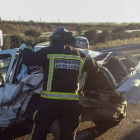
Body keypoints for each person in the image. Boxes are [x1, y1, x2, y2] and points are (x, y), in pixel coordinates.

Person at [20, 27, 99, 140]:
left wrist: (28, 47)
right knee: (68, 134)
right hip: (71, 104)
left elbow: (28, 59)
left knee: (40, 131)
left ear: (54, 39)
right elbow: (95, 68)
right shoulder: (80, 55)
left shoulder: (47, 51)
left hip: (49, 102)